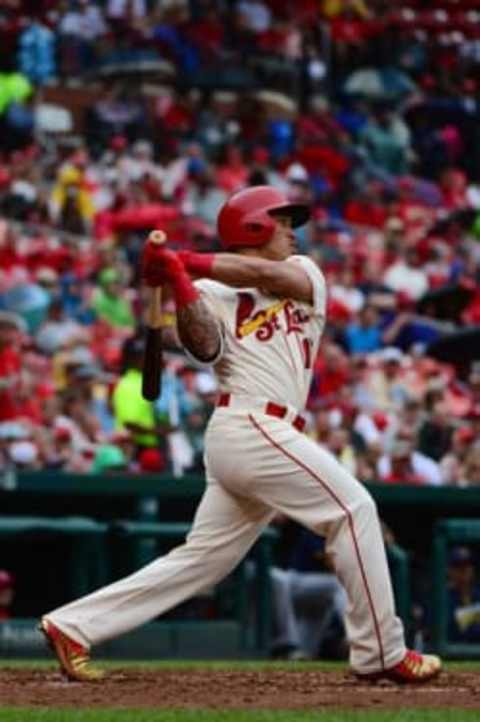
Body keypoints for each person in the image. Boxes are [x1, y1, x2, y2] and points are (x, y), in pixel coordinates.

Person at [39, 185, 441, 683]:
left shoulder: (304, 272)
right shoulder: (209, 291)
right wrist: (180, 284)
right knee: (353, 509)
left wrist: (181, 260)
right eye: (283, 222)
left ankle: (72, 625)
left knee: (203, 561)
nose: (293, 233)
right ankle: (382, 650)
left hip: (265, 431)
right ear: (253, 226)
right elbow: (205, 348)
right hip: (249, 423)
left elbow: (264, 275)